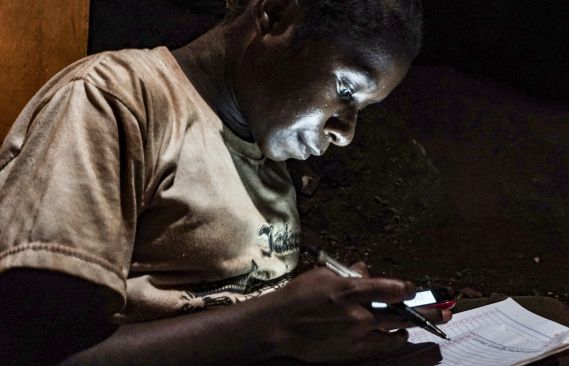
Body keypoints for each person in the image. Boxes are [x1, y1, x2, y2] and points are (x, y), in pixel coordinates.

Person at [0, 0, 449, 365]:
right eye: (347, 91)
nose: (346, 132)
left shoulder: (263, 143)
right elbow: (32, 351)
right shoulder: (117, 100)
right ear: (276, 15)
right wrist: (278, 323)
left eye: (362, 111)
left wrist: (338, 321)